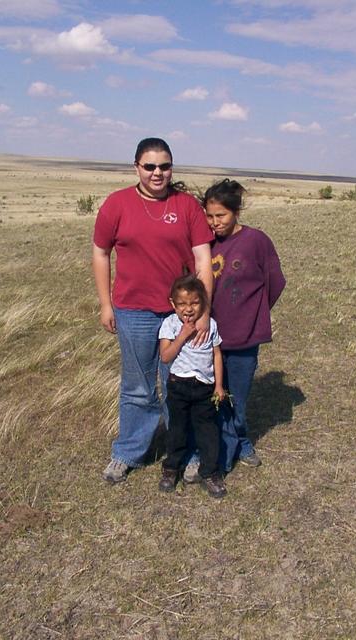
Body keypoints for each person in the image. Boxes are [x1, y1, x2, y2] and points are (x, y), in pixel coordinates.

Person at [92, 138, 213, 484]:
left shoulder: (187, 205)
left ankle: (186, 452)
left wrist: (202, 310)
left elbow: (203, 259)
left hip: (182, 314)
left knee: (182, 384)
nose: (158, 173)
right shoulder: (117, 204)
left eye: (165, 166)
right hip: (134, 311)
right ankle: (128, 451)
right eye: (150, 166)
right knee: (137, 386)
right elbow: (100, 254)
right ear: (136, 168)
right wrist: (105, 303)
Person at [202, 178, 286, 473]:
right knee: (211, 395)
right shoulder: (205, 242)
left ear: (236, 212)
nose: (215, 223)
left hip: (244, 338)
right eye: (210, 216)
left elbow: (276, 282)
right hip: (208, 337)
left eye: (221, 215)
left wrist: (254, 312)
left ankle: (241, 440)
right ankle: (209, 446)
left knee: (238, 394)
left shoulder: (256, 241)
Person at [158, 275, 227, 499]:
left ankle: (209, 472)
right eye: (182, 304)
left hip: (204, 389)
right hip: (178, 386)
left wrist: (219, 386)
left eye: (195, 303)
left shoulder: (210, 325)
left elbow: (217, 355)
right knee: (177, 430)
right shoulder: (169, 324)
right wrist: (182, 335)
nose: (188, 309)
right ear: (173, 304)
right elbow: (166, 356)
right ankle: (171, 469)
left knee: (208, 432)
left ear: (204, 303)